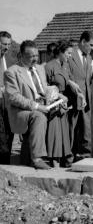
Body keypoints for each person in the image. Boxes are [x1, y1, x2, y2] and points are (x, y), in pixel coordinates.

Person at [4, 40, 67, 169]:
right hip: (22, 111)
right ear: (21, 55)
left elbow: (44, 89)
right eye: (31, 56)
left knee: (60, 113)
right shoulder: (12, 72)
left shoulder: (39, 68)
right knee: (39, 116)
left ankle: (57, 158)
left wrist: (59, 96)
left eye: (37, 56)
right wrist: (37, 106)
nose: (35, 59)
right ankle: (37, 158)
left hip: (42, 105)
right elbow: (14, 97)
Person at [45, 40, 79, 167]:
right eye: (68, 53)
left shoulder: (65, 65)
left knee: (64, 133)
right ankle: (54, 160)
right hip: (53, 105)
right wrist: (58, 97)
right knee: (54, 133)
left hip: (64, 105)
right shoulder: (48, 67)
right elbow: (44, 88)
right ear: (60, 52)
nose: (70, 56)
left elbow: (69, 81)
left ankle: (65, 159)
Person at [67, 31, 93, 161]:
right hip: (73, 98)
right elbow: (66, 75)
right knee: (72, 128)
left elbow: (88, 79)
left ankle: (85, 156)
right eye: (91, 45)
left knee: (86, 129)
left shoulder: (89, 57)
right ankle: (68, 157)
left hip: (86, 99)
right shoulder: (69, 54)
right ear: (83, 42)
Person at [0, 31, 17, 164]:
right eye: (3, 43)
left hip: (8, 102)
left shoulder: (11, 60)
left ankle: (5, 163)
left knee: (8, 132)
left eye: (9, 44)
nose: (6, 47)